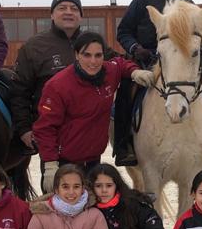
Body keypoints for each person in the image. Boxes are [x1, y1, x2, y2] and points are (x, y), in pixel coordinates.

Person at [114, 0, 202, 167]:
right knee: (126, 88)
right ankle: (124, 145)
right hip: (146, 59)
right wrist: (136, 48)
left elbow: (195, 30)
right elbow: (123, 31)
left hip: (177, 61)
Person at [31, 31, 154, 194]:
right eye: (87, 55)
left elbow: (120, 64)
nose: (93, 61)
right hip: (64, 163)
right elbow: (45, 128)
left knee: (92, 205)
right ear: (76, 55)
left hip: (93, 161)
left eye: (98, 55)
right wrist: (50, 164)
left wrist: (134, 72)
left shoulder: (109, 71)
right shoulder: (58, 86)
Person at [8, 0, 84, 153]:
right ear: (52, 15)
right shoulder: (34, 46)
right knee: (54, 170)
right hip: (51, 132)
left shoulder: (92, 43)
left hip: (86, 132)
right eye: (62, 8)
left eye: (74, 8)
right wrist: (24, 128)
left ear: (80, 16)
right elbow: (19, 91)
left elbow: (117, 64)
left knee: (90, 170)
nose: (68, 12)